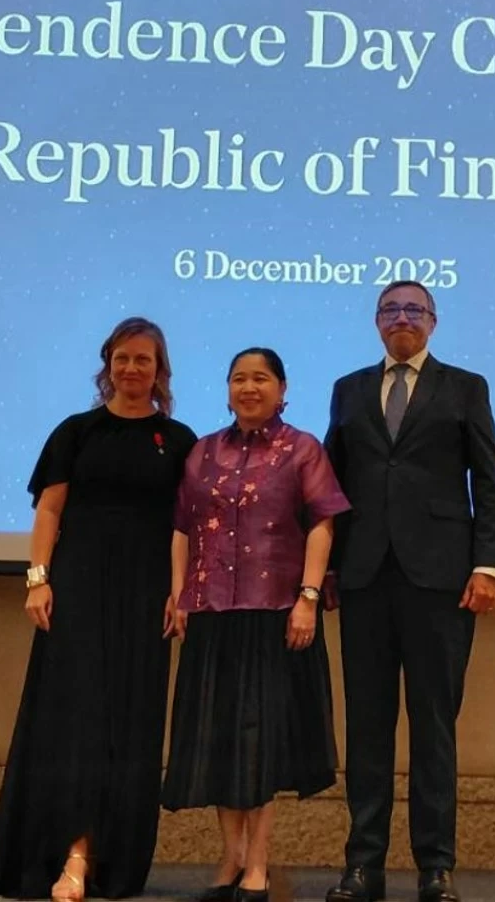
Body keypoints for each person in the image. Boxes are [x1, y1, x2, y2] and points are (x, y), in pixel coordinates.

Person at [0, 317, 197, 901]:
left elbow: (184, 525)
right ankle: (71, 853)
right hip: (77, 591)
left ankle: (107, 860)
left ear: (160, 371)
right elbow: (49, 511)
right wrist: (37, 580)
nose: (132, 369)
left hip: (146, 598)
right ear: (107, 366)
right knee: (75, 723)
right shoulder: (76, 431)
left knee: (130, 723)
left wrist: (180, 591)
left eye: (144, 360)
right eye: (122, 358)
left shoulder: (180, 440)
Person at [323, 282, 495, 902]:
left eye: (414, 310)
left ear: (433, 321)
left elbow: (489, 479)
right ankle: (362, 866)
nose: (402, 318)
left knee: (434, 727)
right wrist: (324, 570)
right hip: (365, 578)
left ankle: (436, 867)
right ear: (376, 322)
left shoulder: (466, 387)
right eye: (391, 310)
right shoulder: (349, 389)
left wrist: (488, 565)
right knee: (367, 727)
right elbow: (333, 486)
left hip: (442, 580)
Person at [162, 347, 349, 902]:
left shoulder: (303, 449)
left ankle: (259, 866)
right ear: (226, 389)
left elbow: (322, 524)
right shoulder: (201, 452)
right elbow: (180, 528)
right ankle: (231, 858)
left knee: (259, 744)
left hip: (276, 616)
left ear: (282, 388)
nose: (249, 387)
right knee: (220, 740)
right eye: (239, 378)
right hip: (212, 614)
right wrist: (178, 595)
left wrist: (309, 598)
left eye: (261, 378)